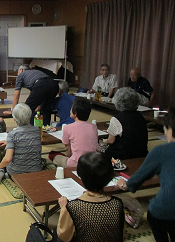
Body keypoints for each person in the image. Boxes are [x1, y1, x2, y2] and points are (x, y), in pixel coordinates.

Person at [117, 107, 175, 242]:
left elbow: (139, 177)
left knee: (156, 217)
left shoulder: (161, 151)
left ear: (170, 130)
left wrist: (126, 185)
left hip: (165, 210)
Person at [54, 151, 125, 242]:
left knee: (56, 233)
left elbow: (64, 236)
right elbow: (121, 235)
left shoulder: (74, 207)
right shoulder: (118, 204)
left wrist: (64, 208)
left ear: (81, 177)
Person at [0, 103, 42, 187]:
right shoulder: (36, 130)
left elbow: (8, 159)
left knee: (5, 156)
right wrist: (10, 142)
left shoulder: (12, 134)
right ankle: (3, 173)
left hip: (16, 172)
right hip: (36, 171)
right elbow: (27, 140)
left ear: (14, 118)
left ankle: (1, 172)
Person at [102, 87, 148, 160]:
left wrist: (105, 141)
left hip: (123, 155)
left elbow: (111, 141)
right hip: (141, 153)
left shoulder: (116, 119)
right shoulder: (141, 117)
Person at [50, 99, 98, 168]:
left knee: (52, 155)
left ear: (75, 114)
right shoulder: (93, 127)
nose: (70, 111)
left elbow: (67, 148)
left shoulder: (68, 127)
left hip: (76, 164)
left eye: (71, 109)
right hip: (93, 162)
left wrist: (69, 158)